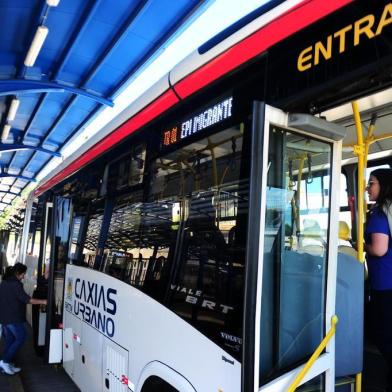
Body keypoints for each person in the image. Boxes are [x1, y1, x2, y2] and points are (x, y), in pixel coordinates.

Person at [365, 168, 392, 389]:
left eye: (371, 183)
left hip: (384, 282)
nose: (367, 187)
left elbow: (379, 249)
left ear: (383, 186)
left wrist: (360, 244)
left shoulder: (379, 214)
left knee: (382, 334)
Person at [0, 263, 47, 375]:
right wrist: (44, 301)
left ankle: (6, 364)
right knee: (21, 337)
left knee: (9, 340)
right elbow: (27, 299)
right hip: (13, 317)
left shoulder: (5, 282)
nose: (24, 276)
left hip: (4, 316)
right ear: (18, 273)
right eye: (23, 274)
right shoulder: (16, 284)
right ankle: (4, 361)